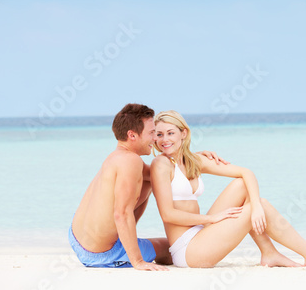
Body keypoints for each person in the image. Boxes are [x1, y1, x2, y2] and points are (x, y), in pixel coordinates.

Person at [150, 110, 306, 269]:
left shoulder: (194, 160)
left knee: (244, 187)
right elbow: (168, 215)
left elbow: (246, 173)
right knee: (256, 205)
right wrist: (212, 219)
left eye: (170, 133)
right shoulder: (161, 164)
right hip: (187, 251)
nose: (164, 139)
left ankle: (269, 252)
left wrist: (256, 207)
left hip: (201, 234)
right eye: (159, 134)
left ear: (183, 133)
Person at [69, 104, 227, 271]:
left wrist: (191, 157)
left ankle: (127, 242)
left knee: (150, 181)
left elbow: (161, 174)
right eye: (151, 133)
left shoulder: (117, 157)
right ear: (132, 135)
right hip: (102, 252)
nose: (155, 138)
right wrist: (138, 262)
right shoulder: (131, 162)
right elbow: (121, 214)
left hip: (77, 237)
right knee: (172, 250)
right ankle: (131, 252)